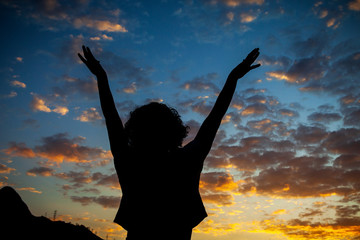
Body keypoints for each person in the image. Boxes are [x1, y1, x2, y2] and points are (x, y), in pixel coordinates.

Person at [78, 46, 260, 240]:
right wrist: (233, 78)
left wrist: (101, 77)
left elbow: (111, 117)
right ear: (174, 131)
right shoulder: (187, 160)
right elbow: (215, 118)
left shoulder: (129, 160)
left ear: (135, 131)